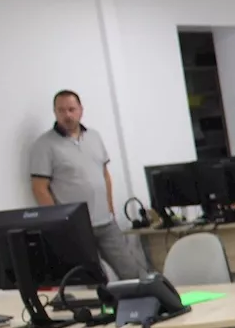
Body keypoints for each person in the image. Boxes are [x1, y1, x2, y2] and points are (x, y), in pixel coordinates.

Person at [30, 90, 149, 280]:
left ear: (80, 110)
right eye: (61, 110)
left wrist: (110, 207)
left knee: (131, 272)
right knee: (94, 280)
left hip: (106, 222)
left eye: (71, 109)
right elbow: (39, 187)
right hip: (76, 229)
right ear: (55, 112)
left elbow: (104, 175)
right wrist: (58, 223)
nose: (67, 115)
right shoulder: (44, 145)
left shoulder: (94, 136)